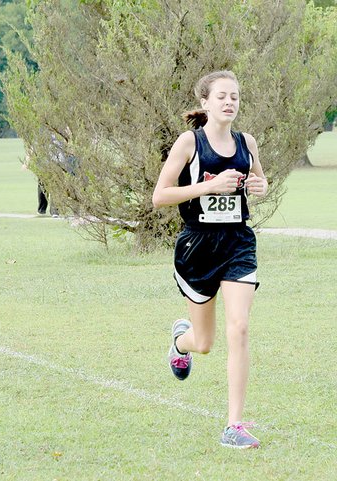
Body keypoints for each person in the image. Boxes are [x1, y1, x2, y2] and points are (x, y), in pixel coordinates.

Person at [152, 70, 268, 449]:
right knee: (204, 343)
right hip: (197, 248)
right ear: (205, 102)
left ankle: (233, 425)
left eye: (234, 96)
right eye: (221, 96)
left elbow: (260, 184)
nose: (229, 102)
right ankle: (180, 342)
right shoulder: (189, 142)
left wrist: (259, 186)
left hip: (237, 243)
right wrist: (208, 186)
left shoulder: (246, 142)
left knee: (240, 327)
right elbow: (160, 196)